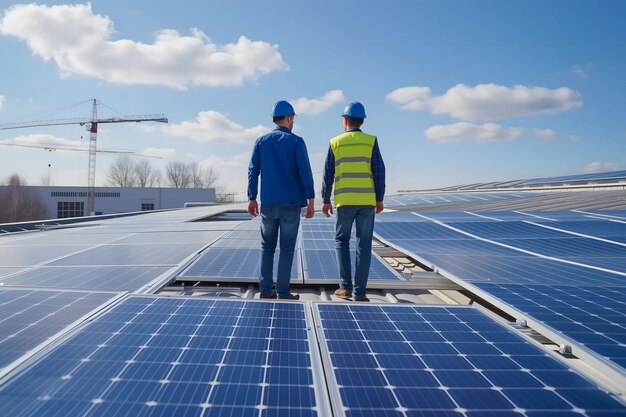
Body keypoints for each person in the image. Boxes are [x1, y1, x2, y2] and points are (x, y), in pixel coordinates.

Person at [248, 100, 315, 300]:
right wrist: (311, 199)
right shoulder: (296, 142)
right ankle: (283, 291)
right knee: (286, 249)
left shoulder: (261, 141)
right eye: (292, 118)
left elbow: (253, 171)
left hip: (268, 204)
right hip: (291, 204)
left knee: (267, 247)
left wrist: (252, 198)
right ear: (289, 118)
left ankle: (265, 290)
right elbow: (305, 172)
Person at [321, 101, 385, 302]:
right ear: (362, 120)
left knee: (342, 241)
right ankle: (359, 292)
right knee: (363, 245)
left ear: (345, 120)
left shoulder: (335, 142)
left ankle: (345, 286)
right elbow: (379, 171)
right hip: (366, 201)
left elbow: (327, 174)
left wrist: (325, 199)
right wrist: (379, 198)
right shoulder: (371, 141)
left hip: (344, 201)